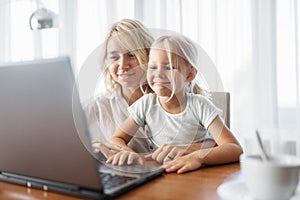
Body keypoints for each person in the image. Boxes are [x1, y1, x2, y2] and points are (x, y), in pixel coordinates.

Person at [108, 35, 243, 173]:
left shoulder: (200, 106)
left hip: (195, 175)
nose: (158, 74)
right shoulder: (145, 104)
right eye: (153, 67)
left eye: (169, 68)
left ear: (189, 75)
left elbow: (234, 148)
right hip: (161, 174)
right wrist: (128, 153)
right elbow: (117, 138)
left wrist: (198, 157)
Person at [84, 19, 154, 155]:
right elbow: (59, 147)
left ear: (148, 55)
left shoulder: (172, 98)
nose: (123, 64)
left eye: (131, 55)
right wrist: (85, 149)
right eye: (114, 57)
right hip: (131, 175)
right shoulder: (96, 107)